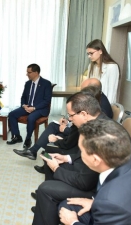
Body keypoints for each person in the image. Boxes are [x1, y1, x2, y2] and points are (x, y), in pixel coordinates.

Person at [31, 93, 110, 225]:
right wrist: (66, 158)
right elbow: (82, 156)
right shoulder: (97, 123)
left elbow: (85, 182)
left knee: (46, 187)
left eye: (71, 115)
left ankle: (45, 203)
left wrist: (56, 168)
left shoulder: (100, 134)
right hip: (89, 174)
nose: (70, 119)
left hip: (95, 187)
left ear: (84, 114)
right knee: (51, 160)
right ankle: (45, 207)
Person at [58, 119, 131, 225]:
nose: (80, 154)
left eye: (81, 151)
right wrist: (94, 202)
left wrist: (73, 222)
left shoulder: (109, 201)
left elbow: (114, 203)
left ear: (95, 160)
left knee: (65, 210)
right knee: (66, 205)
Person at [13, 78, 112, 160]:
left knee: (51, 139)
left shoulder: (98, 109)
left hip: (76, 141)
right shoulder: (97, 100)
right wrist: (69, 122)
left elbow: (77, 133)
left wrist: (63, 131)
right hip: (75, 134)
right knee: (53, 126)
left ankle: (38, 154)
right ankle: (34, 152)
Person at [7, 63, 52, 149]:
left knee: (31, 118)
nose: (27, 74)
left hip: (40, 108)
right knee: (12, 114)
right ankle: (17, 136)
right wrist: (24, 105)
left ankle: (28, 139)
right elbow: (23, 97)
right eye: (27, 72)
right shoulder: (28, 83)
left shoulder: (46, 83)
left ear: (36, 73)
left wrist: (34, 108)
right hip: (27, 107)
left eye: (29, 72)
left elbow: (47, 100)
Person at [86, 39, 119, 103]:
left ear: (100, 51)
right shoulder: (91, 66)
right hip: (92, 102)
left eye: (91, 53)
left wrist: (107, 106)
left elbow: (112, 90)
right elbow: (88, 86)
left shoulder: (112, 67)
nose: (89, 56)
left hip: (105, 103)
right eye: (88, 54)